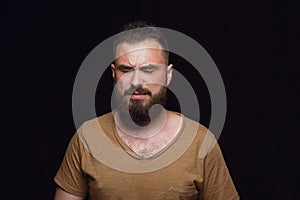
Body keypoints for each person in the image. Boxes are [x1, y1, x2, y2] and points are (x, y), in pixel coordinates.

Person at [53, 20, 239, 200]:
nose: (136, 82)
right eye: (126, 70)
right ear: (113, 74)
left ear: (168, 75)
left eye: (148, 70)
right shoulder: (88, 137)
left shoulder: (200, 142)